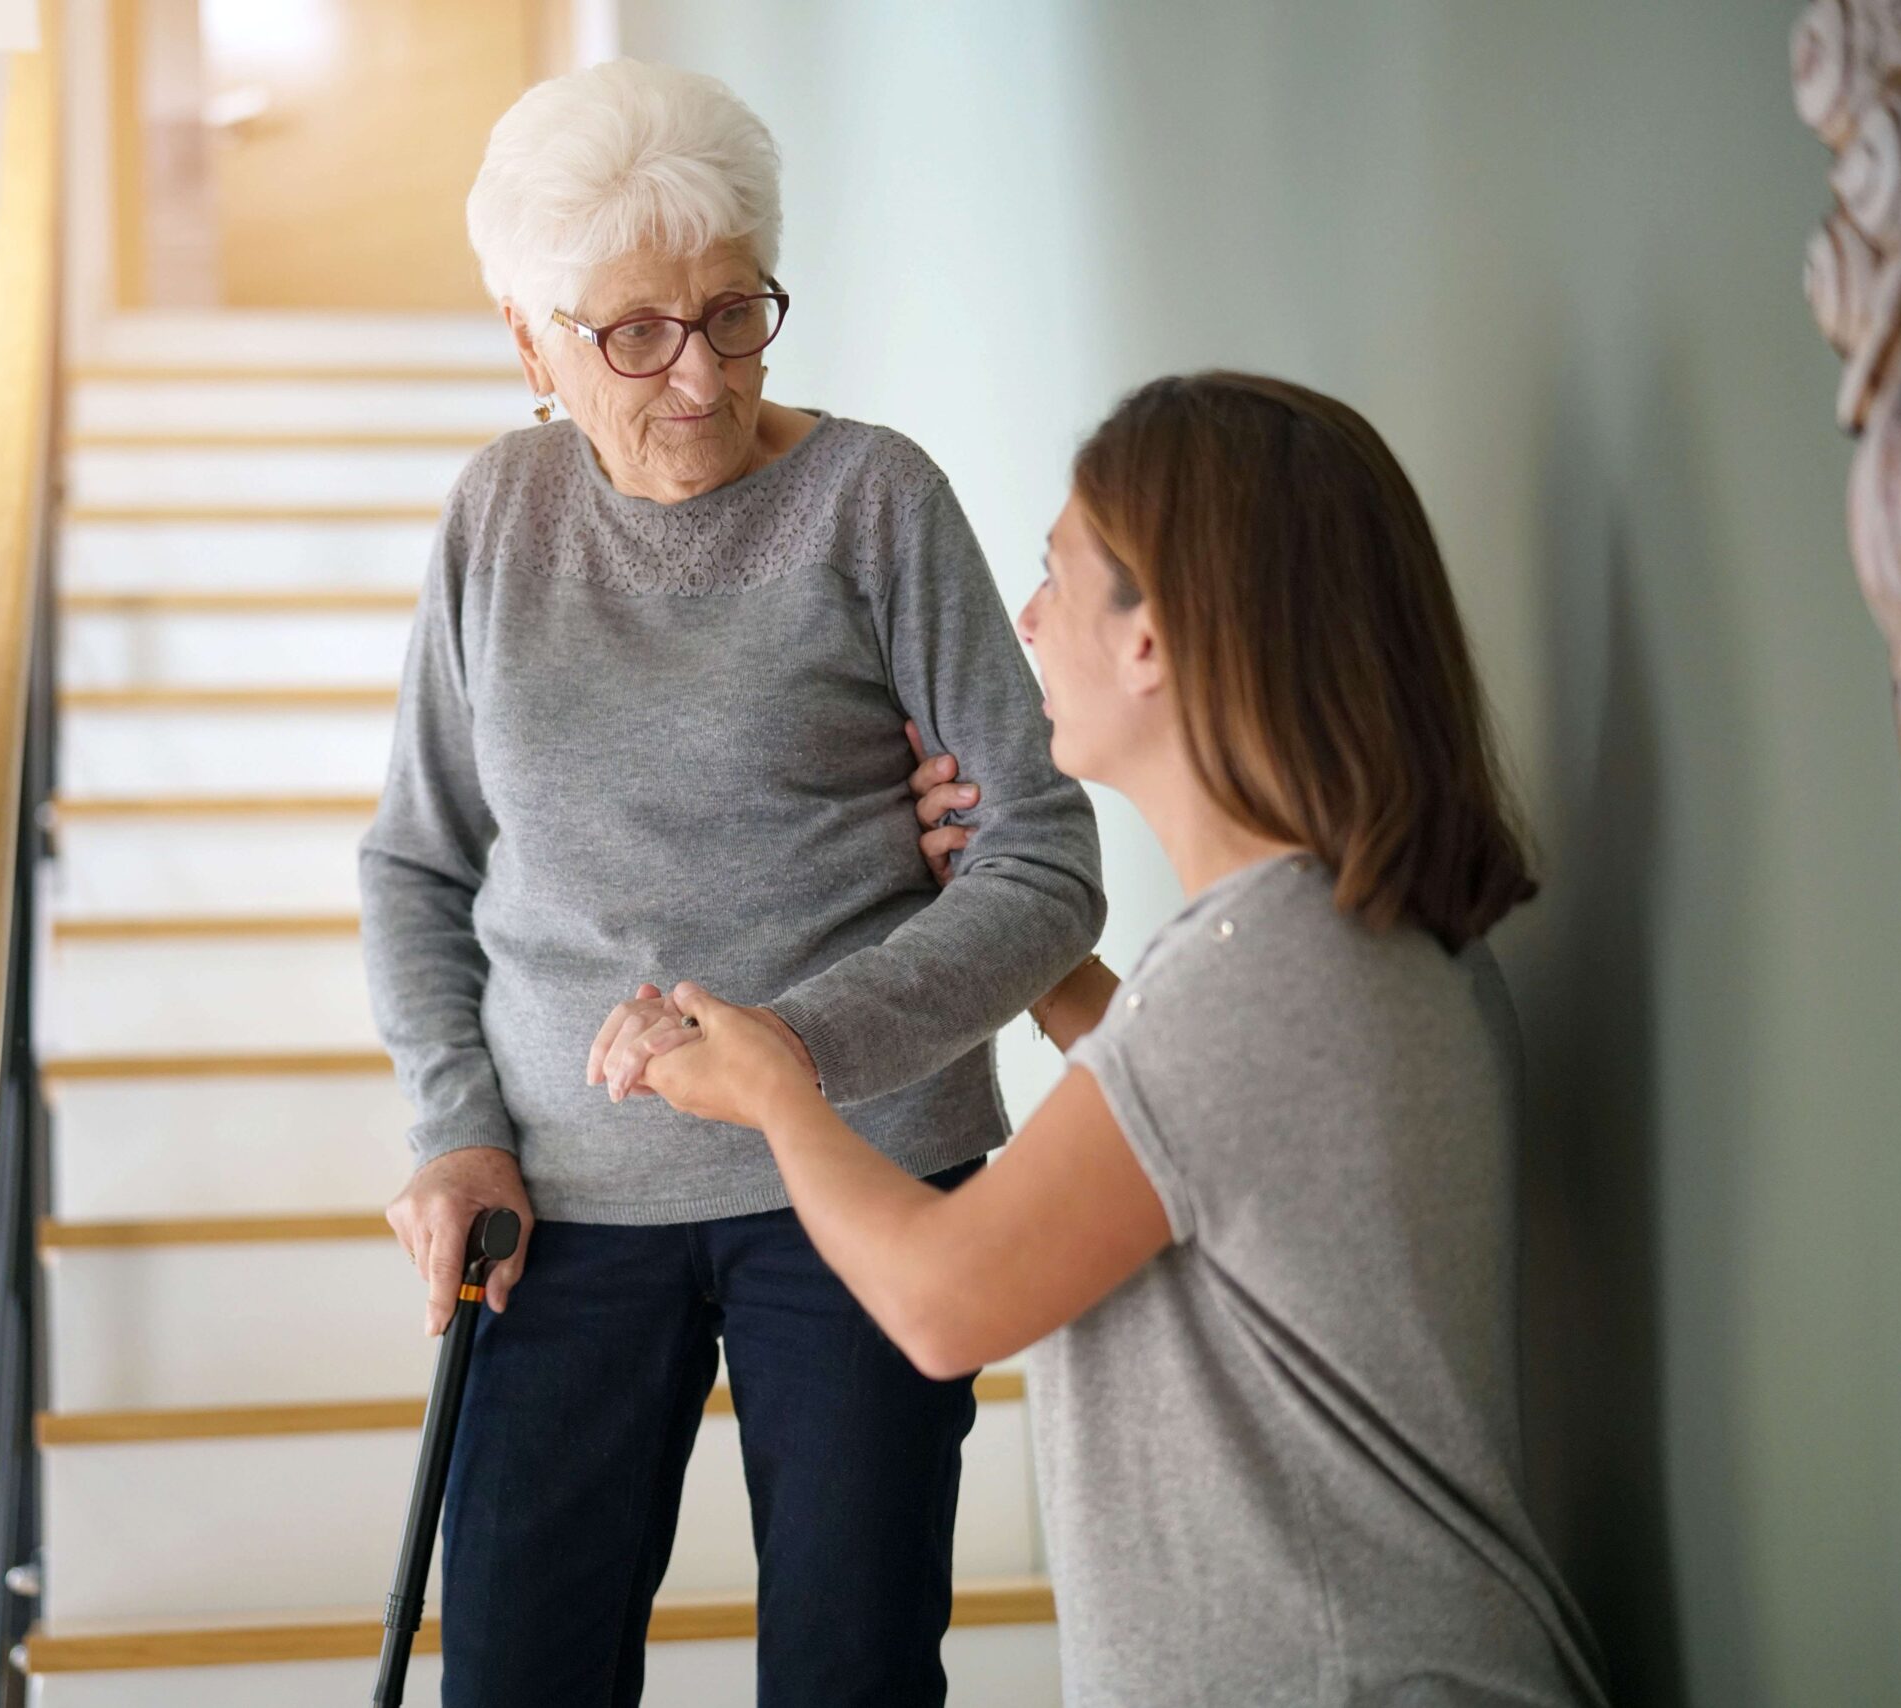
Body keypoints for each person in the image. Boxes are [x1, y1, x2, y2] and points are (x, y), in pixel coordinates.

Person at [635, 373, 1613, 1706]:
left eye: (1056, 577)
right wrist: (1040, 959)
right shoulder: (1339, 943)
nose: (1027, 622)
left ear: (1153, 637)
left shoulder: (1258, 980)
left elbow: (940, 1303)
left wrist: (778, 1088)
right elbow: (1194, 1146)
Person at [357, 58, 1107, 1708]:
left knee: (851, 1674)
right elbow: (418, 863)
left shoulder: (874, 500)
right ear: (529, 339)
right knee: (515, 1673)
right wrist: (455, 1128)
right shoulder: (498, 517)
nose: (697, 378)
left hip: (860, 1171)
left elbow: (1044, 861)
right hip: (559, 1203)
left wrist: (788, 1058)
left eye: (734, 316)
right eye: (634, 332)